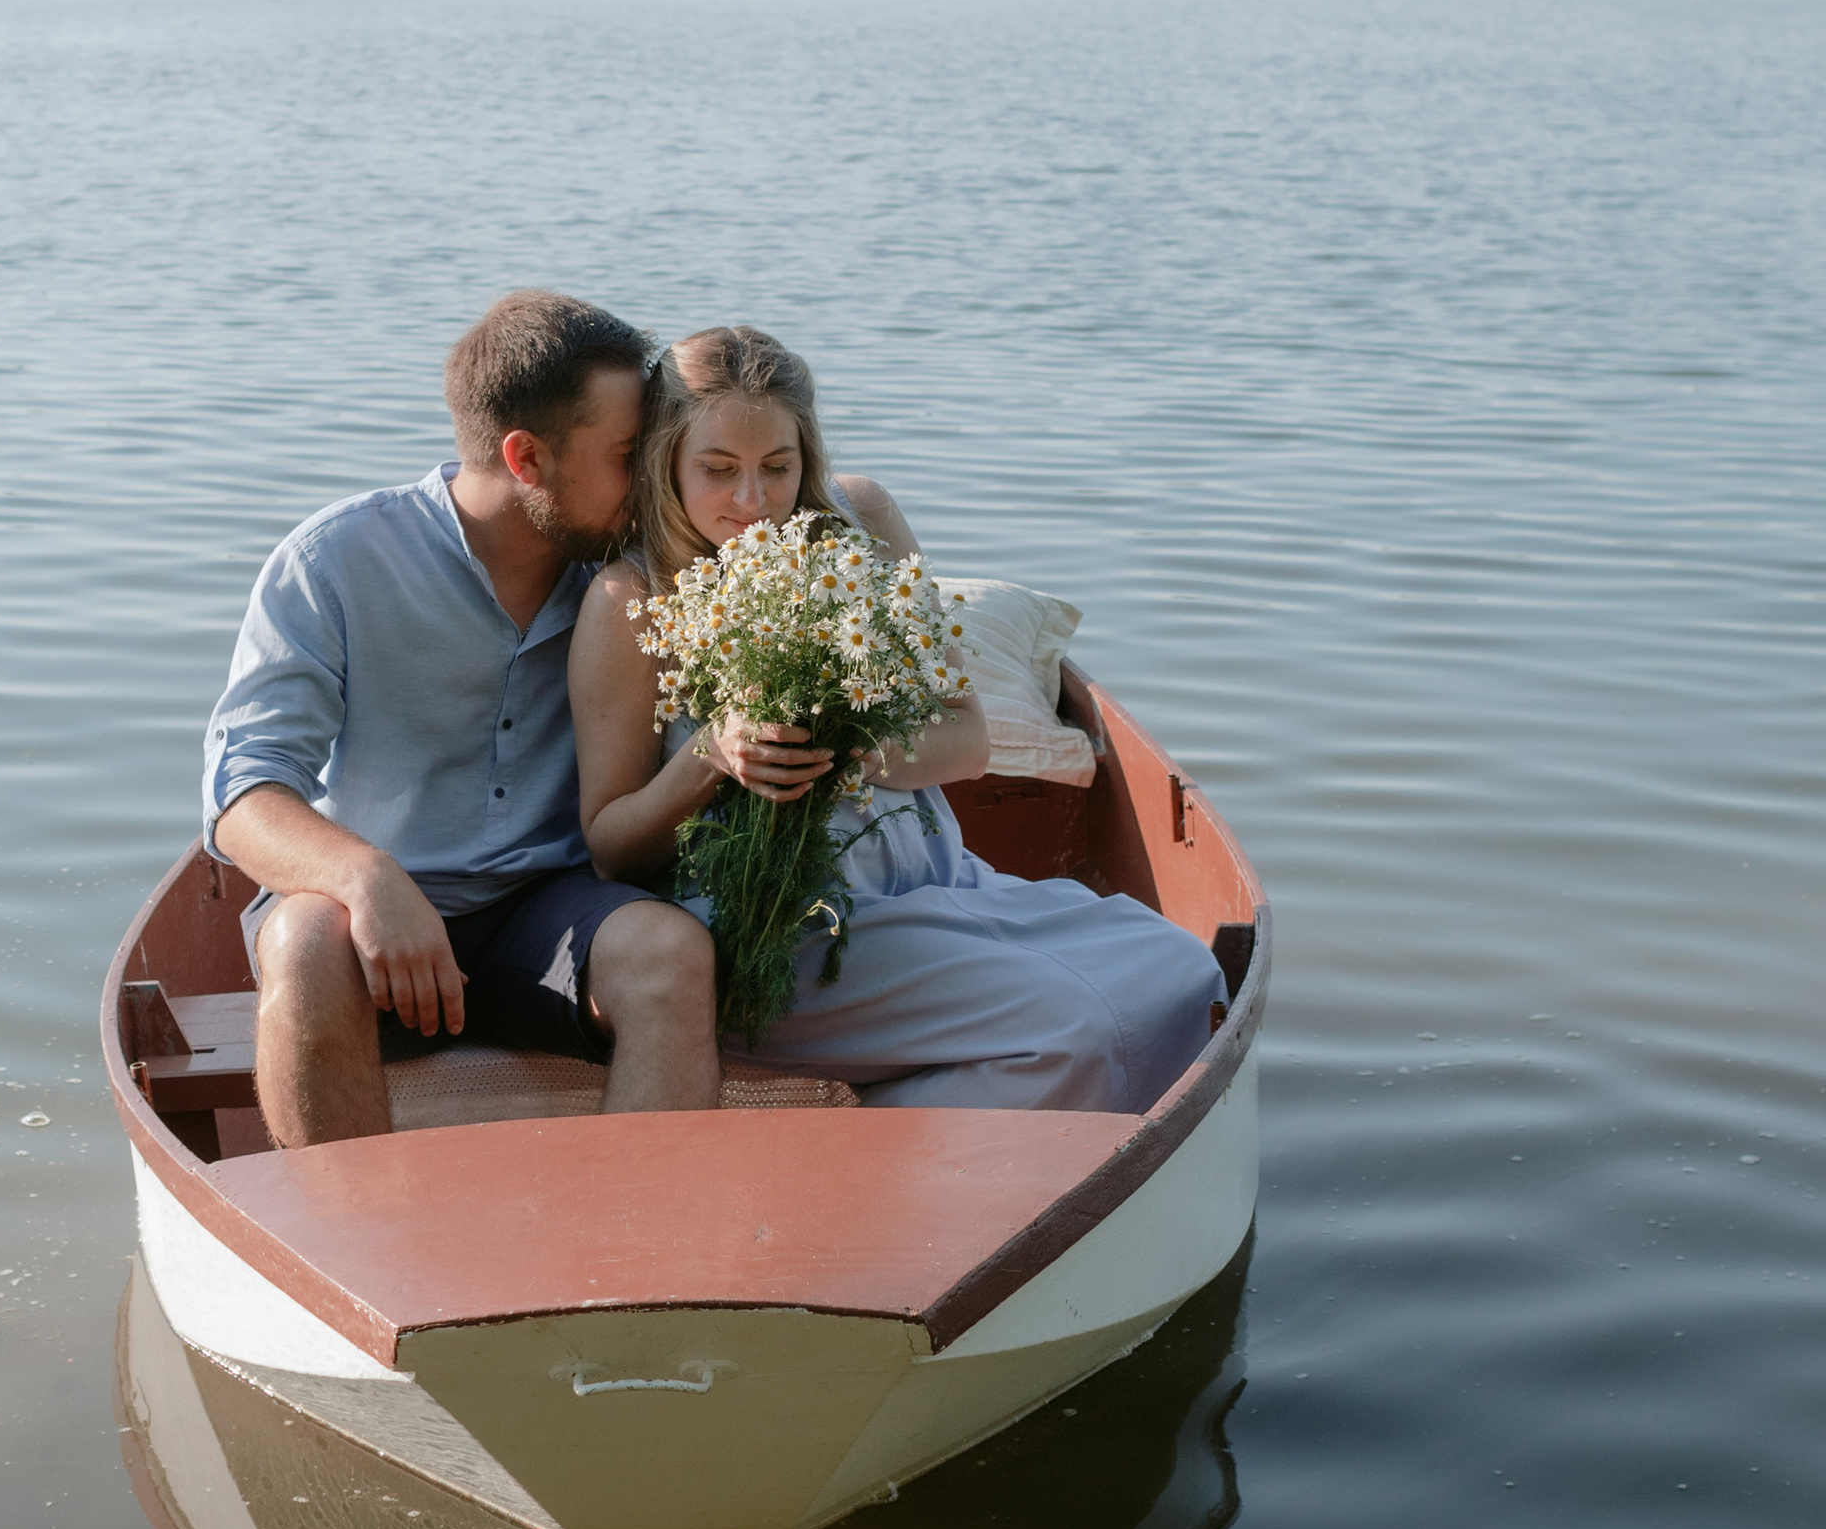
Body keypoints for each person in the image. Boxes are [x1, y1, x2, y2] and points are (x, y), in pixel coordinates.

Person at [568, 325, 1222, 1113]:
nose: (752, 501)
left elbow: (968, 741)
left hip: (937, 884)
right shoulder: (630, 598)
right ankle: (894, 1164)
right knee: (1077, 1033)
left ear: (806, 453)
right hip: (788, 931)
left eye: (777, 466)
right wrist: (713, 753)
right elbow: (610, 845)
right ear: (666, 460)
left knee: (1186, 973)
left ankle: (908, 1130)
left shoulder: (862, 520)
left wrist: (851, 745)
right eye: (718, 469)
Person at [205, 291, 720, 1143]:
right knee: (303, 941)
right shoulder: (334, 561)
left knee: (672, 954)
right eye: (631, 456)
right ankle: (341, 1223)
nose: (652, 483)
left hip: (551, 915)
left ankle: (638, 1228)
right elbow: (242, 794)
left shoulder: (637, 576)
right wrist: (369, 880)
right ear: (527, 457)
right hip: (366, 924)